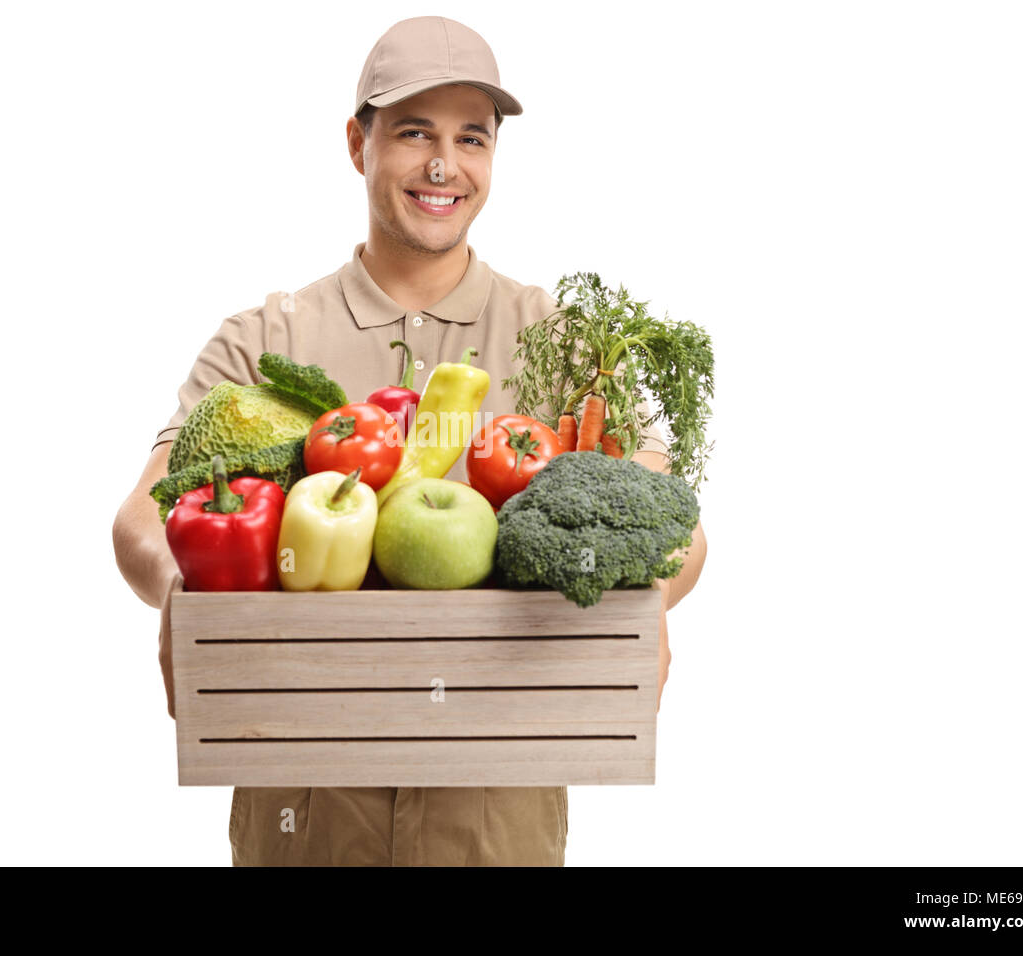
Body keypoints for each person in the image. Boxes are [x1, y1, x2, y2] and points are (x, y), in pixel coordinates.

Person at [112, 15, 707, 866]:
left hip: (499, 817)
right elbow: (143, 517)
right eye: (414, 132)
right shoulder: (265, 339)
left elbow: (676, 522)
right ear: (358, 145)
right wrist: (184, 598)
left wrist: (644, 589)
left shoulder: (561, 340)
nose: (444, 165)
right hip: (304, 806)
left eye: (472, 137)